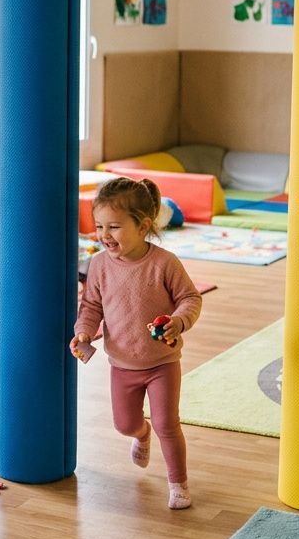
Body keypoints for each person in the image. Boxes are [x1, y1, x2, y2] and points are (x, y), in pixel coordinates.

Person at [70, 177, 203, 510]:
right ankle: (141, 436)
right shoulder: (98, 265)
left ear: (143, 226)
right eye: (99, 226)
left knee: (167, 424)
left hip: (162, 362)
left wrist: (178, 321)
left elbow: (189, 298)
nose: (104, 235)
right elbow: (91, 307)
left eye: (114, 227)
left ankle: (179, 484)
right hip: (123, 364)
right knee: (125, 424)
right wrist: (84, 332)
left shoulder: (164, 263)